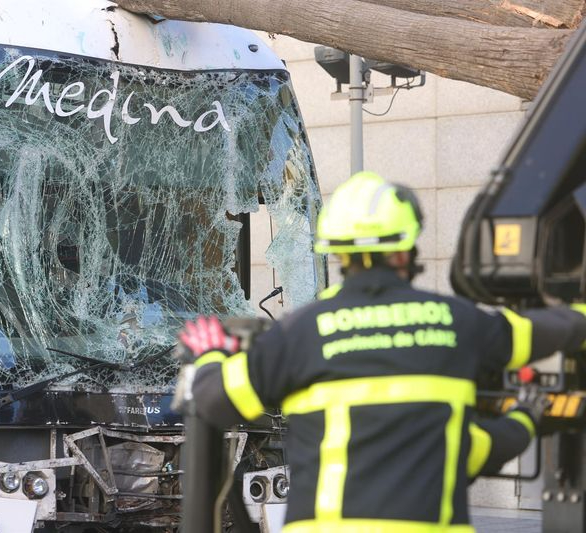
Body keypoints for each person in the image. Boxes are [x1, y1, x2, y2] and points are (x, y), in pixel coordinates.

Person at [179, 171, 586, 532]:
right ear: (405, 248)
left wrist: (212, 352)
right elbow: (549, 332)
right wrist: (526, 418)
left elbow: (213, 401)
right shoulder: (457, 322)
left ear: (337, 252)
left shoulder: (300, 334)